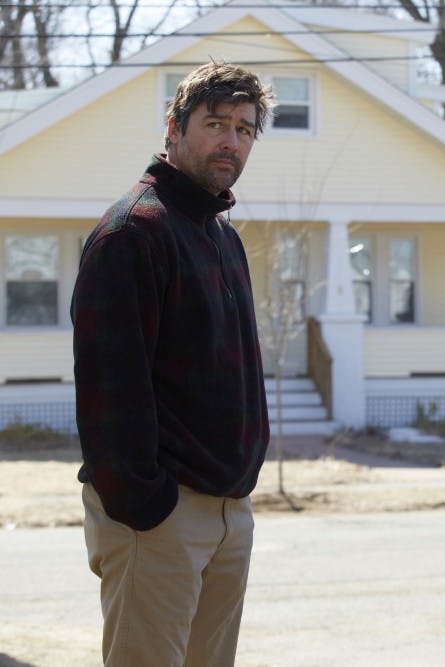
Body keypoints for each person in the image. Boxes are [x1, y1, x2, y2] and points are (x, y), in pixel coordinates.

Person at [71, 62, 274, 667]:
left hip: (227, 513)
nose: (230, 141)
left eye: (243, 129)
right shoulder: (134, 232)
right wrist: (145, 504)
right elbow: (109, 389)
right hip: (159, 518)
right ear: (174, 128)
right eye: (215, 124)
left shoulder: (220, 234)